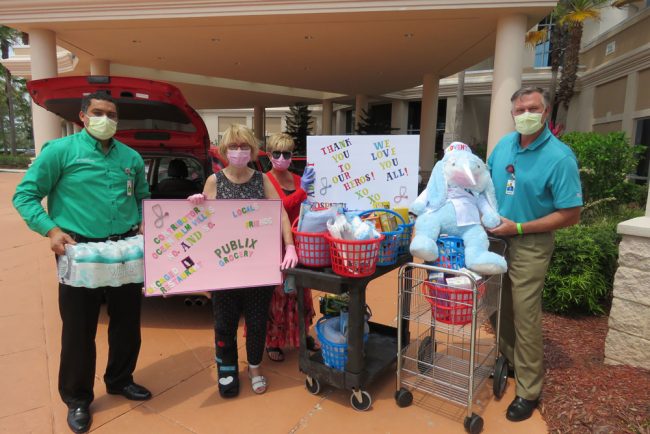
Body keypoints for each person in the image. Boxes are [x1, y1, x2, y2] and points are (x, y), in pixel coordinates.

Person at [13, 92, 152, 434]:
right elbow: (25, 195)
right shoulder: (60, 152)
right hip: (79, 251)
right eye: (98, 112)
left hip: (125, 251)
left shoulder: (131, 157)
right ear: (83, 116)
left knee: (127, 324)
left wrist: (145, 221)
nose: (106, 119)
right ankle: (77, 399)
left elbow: (142, 197)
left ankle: (120, 379)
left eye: (112, 114)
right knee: (78, 330)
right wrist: (51, 230)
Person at [487, 86, 583, 422]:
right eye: (519, 110)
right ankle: (511, 360)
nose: (525, 114)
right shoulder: (503, 146)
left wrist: (520, 228)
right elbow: (485, 185)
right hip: (494, 241)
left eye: (533, 108)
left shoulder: (559, 157)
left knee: (525, 315)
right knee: (495, 307)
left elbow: (571, 214)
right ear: (512, 114)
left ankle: (528, 389)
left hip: (529, 243)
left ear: (546, 112)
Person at [187, 124, 298, 398]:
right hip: (223, 269)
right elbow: (202, 225)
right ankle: (226, 369)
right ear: (224, 150)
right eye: (233, 147)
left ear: (253, 150)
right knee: (224, 321)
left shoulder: (262, 180)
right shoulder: (214, 181)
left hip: (257, 267)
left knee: (257, 320)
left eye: (244, 146)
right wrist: (196, 205)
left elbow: (280, 213)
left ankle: (255, 367)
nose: (239, 151)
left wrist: (289, 246)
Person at [263, 133, 317, 362]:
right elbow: (276, 209)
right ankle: (272, 341)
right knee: (278, 294)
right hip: (275, 245)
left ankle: (300, 334)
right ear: (269, 154)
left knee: (300, 292)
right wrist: (302, 192)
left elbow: (308, 207)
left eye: (287, 153)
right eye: (277, 153)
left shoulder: (297, 179)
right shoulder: (264, 179)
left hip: (300, 244)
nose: (282, 157)